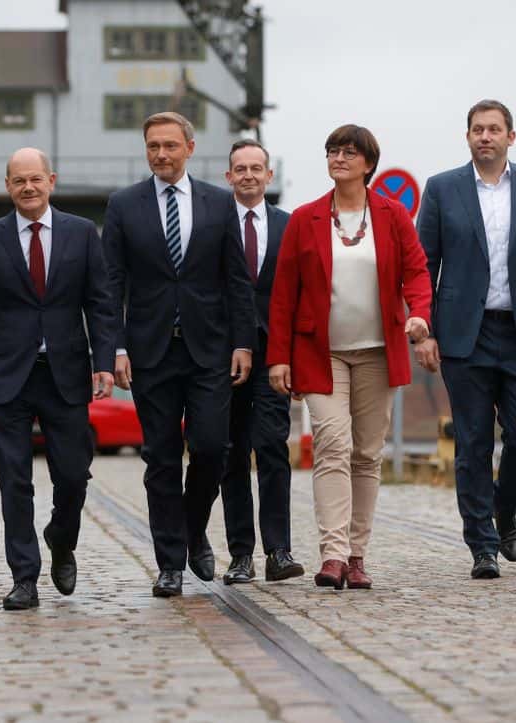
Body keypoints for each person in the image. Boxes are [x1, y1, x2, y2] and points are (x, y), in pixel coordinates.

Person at [415, 100, 516, 580]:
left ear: (511, 136)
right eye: (477, 130)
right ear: (467, 137)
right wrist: (423, 328)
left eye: (494, 129)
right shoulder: (442, 189)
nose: (485, 136)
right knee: (473, 443)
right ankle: (482, 544)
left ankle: (504, 514)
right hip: (465, 333)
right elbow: (426, 265)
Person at [267, 125, 432, 590]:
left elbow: (417, 272)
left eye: (348, 152)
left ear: (368, 164)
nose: (338, 158)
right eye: (332, 151)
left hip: (378, 352)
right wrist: (279, 356)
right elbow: (284, 294)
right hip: (321, 355)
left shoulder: (393, 216)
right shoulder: (305, 218)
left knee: (366, 453)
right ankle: (333, 554)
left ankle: (358, 555)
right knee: (333, 446)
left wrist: (419, 315)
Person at [103, 112, 255, 598]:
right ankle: (170, 562)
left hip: (209, 348)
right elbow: (111, 285)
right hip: (150, 353)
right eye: (153, 147)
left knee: (213, 448)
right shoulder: (124, 206)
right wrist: (116, 348)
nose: (161, 155)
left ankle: (192, 528)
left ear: (189, 147)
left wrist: (243, 341)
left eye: (170, 145)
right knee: (162, 459)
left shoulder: (218, 202)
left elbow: (237, 280)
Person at [0, 148, 116, 610]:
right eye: (18, 181)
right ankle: (24, 576)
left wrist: (103, 360)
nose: (28, 188)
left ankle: (60, 538)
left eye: (36, 179)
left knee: (73, 475)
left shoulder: (82, 233)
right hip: (7, 375)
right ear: (8, 186)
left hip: (66, 374)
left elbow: (100, 303)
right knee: (14, 479)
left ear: (51, 180)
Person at [219, 139, 305, 585]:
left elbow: (300, 295)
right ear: (228, 176)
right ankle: (240, 555)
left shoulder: (290, 226)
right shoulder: (213, 226)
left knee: (272, 449)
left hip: (275, 358)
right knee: (230, 455)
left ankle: (279, 550)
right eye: (240, 168)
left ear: (269, 176)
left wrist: (291, 356)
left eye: (257, 168)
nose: (249, 175)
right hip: (224, 359)